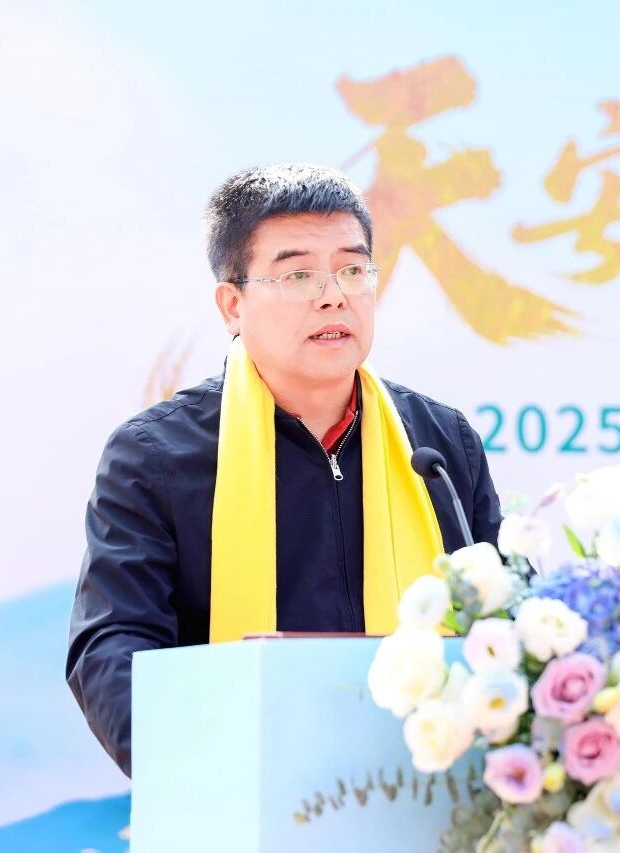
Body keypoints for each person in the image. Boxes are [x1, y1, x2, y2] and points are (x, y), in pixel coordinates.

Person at [66, 163, 502, 776]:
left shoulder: (440, 444)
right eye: (298, 275)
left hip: (426, 792)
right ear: (232, 304)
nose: (333, 296)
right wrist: (205, 775)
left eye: (353, 270)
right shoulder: (155, 457)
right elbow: (112, 647)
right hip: (237, 790)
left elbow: (501, 620)